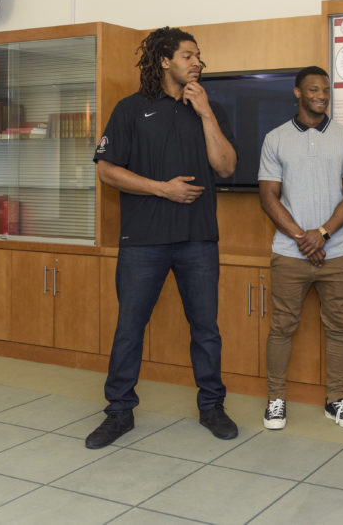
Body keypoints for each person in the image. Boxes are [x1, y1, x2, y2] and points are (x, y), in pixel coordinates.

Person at [87, 27, 239, 449]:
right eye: (188, 55)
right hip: (143, 241)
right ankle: (118, 412)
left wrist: (206, 112)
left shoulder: (212, 109)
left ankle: (212, 406)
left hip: (198, 239)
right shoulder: (130, 109)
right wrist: (162, 188)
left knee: (206, 328)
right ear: (164, 61)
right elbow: (106, 170)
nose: (197, 63)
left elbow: (226, 167)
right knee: (129, 329)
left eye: (198, 56)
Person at [258, 66, 343, 431]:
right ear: (297, 93)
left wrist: (322, 233)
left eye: (326, 90)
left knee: (340, 327)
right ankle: (276, 399)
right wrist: (304, 238)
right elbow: (268, 197)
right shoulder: (275, 138)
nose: (321, 95)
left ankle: (336, 401)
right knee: (282, 326)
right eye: (313, 89)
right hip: (289, 253)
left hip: (337, 252)